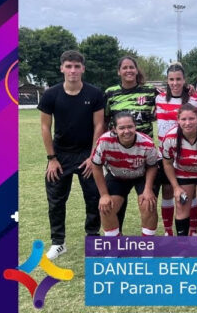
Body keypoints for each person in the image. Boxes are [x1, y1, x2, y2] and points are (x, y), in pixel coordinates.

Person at [37, 50, 104, 260]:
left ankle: (92, 238)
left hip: (87, 153)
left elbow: (99, 125)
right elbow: (45, 127)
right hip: (60, 155)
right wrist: (52, 159)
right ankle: (58, 243)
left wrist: (93, 157)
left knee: (93, 197)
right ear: (62, 68)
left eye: (76, 66)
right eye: (69, 66)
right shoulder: (51, 94)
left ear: (83, 68)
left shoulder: (95, 94)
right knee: (56, 201)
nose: (73, 70)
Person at [104, 56, 161, 235]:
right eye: (125, 68)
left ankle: (147, 244)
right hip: (118, 158)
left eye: (131, 67)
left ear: (137, 70)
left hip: (145, 160)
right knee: (111, 205)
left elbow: (172, 98)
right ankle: (116, 241)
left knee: (148, 204)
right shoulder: (110, 93)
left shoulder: (150, 91)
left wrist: (188, 90)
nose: (128, 70)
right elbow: (104, 121)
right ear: (118, 71)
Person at [90, 112, 160, 237]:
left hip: (141, 175)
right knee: (106, 207)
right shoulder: (104, 141)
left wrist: (148, 189)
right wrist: (104, 195)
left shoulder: (147, 143)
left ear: (135, 127)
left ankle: (147, 244)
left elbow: (152, 166)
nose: (126, 131)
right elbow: (96, 166)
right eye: (122, 128)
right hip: (117, 176)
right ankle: (114, 244)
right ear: (114, 129)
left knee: (148, 204)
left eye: (130, 127)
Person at [155, 63, 197, 236]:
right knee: (168, 191)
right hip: (165, 154)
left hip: (186, 154)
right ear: (167, 80)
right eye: (171, 79)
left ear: (184, 80)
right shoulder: (159, 98)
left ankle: (192, 230)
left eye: (178, 79)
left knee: (191, 193)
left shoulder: (194, 100)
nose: (175, 83)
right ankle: (168, 231)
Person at [161, 103, 197, 236]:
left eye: (191, 118)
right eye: (184, 119)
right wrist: (176, 187)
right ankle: (182, 245)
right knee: (181, 207)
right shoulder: (170, 137)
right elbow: (167, 163)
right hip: (183, 173)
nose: (187, 123)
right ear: (178, 120)